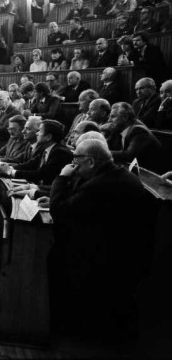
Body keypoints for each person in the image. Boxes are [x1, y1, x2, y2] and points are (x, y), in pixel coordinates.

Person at [48, 139, 155, 339]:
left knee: (49, 253)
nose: (73, 166)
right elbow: (77, 200)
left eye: (76, 160)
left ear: (89, 161)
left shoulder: (102, 183)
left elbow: (60, 211)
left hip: (109, 257)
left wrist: (61, 179)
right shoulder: (111, 173)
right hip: (114, 247)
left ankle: (61, 323)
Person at [103, 102, 162, 172]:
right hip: (133, 171)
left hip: (152, 175)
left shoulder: (139, 131)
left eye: (113, 116)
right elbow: (106, 145)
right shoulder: (118, 129)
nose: (109, 120)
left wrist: (102, 153)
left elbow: (129, 155)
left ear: (125, 117)